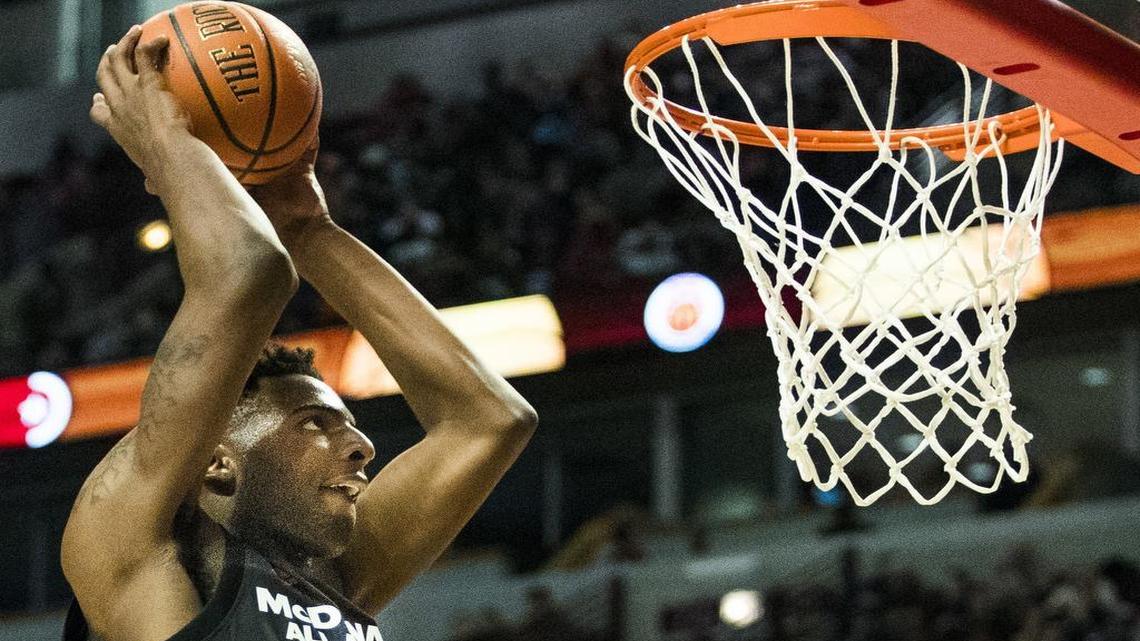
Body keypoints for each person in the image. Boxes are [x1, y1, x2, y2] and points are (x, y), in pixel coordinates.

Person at [60, 26, 537, 641]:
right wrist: (166, 140)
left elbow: (491, 420)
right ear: (215, 463)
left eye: (342, 421)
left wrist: (310, 228)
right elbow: (248, 274)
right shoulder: (138, 546)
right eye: (314, 424)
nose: (364, 445)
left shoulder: (332, 583)